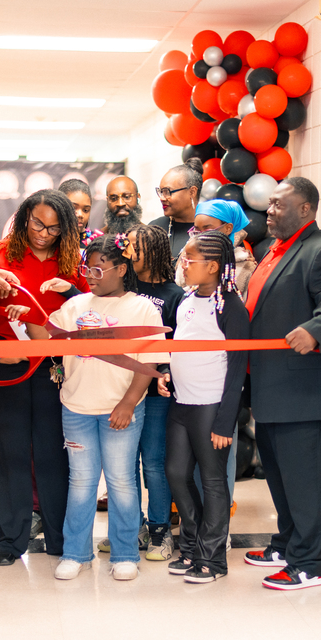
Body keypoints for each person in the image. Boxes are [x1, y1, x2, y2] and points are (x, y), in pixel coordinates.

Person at [25, 235, 168, 582]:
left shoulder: (143, 308)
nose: (90, 274)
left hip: (120, 409)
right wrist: (24, 309)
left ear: (121, 269)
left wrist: (128, 403)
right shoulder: (75, 306)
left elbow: (149, 363)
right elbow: (44, 337)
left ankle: (124, 553)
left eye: (98, 268)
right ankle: (76, 552)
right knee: (82, 481)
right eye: (87, 268)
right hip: (76, 407)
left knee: (121, 481)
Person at [242, 177, 321, 590]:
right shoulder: (275, 249)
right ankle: (287, 543)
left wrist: (316, 329)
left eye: (277, 205)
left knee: (305, 479)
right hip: (270, 387)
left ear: (305, 209)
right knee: (280, 475)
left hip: (303, 391)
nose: (268, 211)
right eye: (268, 204)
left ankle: (309, 563)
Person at [0, 189, 86, 566]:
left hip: (52, 367)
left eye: (55, 228)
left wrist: (70, 293)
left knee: (51, 451)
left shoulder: (70, 261)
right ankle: (9, 541)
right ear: (25, 216)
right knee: (10, 451)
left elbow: (86, 310)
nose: (44, 233)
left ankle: (60, 539)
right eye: (38, 223)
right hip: (6, 361)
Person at [160, 231, 249, 583]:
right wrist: (167, 370)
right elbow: (181, 343)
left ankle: (213, 559)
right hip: (182, 402)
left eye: (189, 260)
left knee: (212, 480)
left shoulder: (230, 306)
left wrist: (225, 422)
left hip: (211, 406)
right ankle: (194, 547)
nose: (183, 264)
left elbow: (239, 366)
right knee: (177, 474)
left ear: (212, 266)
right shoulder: (186, 298)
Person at [98, 224, 184, 561]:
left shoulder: (173, 295)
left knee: (153, 464)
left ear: (155, 251)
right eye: (127, 245)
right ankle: (130, 528)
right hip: (119, 389)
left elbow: (176, 346)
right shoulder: (119, 291)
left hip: (154, 395)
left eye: (135, 246)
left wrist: (165, 373)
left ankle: (161, 531)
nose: (128, 251)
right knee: (124, 466)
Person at [182, 199, 257, 293]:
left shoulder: (246, 267)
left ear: (228, 228)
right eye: (197, 231)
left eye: (208, 230)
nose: (201, 236)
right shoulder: (187, 257)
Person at [149, 159, 203, 257]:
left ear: (192, 192)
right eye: (161, 191)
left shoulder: (209, 229)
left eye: (167, 191)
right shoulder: (154, 229)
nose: (162, 198)